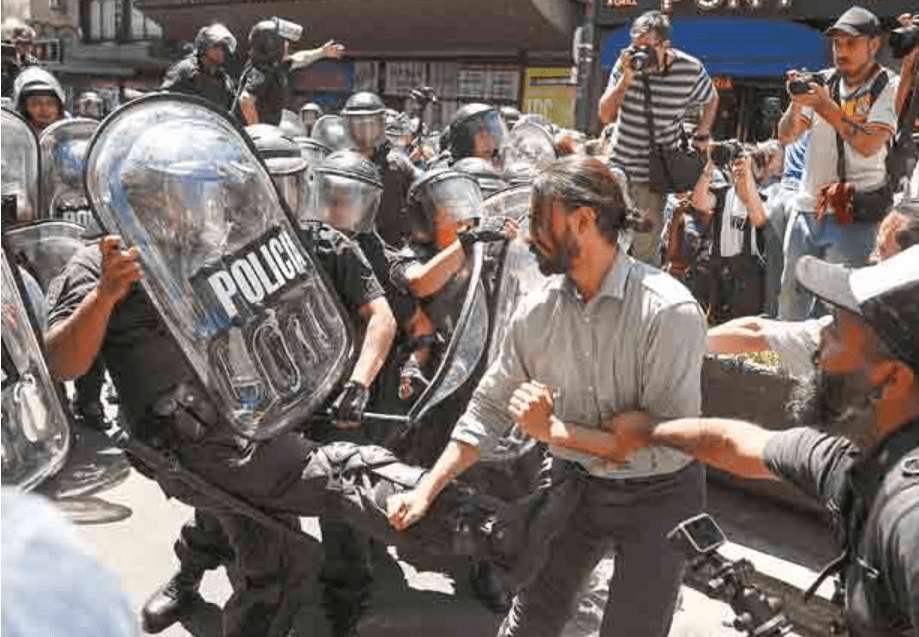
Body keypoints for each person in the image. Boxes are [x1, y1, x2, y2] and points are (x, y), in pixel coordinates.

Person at [386, 156, 708, 637]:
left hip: (660, 495)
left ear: (584, 220)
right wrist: (427, 489)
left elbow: (653, 440)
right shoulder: (538, 310)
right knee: (531, 619)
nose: (530, 232)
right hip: (576, 481)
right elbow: (490, 406)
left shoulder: (669, 311)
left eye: (541, 219)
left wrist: (553, 431)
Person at [134, 128, 395, 636]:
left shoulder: (329, 242)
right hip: (251, 408)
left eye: (290, 184)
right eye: (267, 185)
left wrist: (359, 382)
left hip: (328, 401)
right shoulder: (212, 250)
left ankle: (345, 600)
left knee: (344, 510)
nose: (280, 197)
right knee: (223, 507)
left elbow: (380, 316)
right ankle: (188, 577)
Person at [607, 245, 919, 636]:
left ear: (892, 381)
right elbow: (739, 444)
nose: (818, 338)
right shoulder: (861, 458)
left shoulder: (910, 516)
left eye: (836, 330)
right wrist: (646, 431)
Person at [777, 6, 899, 320]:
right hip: (807, 210)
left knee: (849, 311)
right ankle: (785, 369)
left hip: (854, 213)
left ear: (874, 45)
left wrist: (825, 107)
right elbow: (787, 136)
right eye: (836, 44)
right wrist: (796, 103)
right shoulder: (822, 82)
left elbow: (869, 145)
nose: (840, 51)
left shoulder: (889, 85)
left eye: (851, 43)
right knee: (791, 304)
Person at [707, 203, 918, 378]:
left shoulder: (862, 333)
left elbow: (758, 338)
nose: (872, 258)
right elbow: (757, 329)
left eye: (882, 250)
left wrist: (686, 346)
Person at [598, 9, 719, 267]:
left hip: (654, 174)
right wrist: (625, 80)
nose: (639, 53)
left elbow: (712, 98)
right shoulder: (627, 65)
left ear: (665, 45)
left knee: (644, 251)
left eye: (647, 47)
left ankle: (643, 302)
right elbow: (605, 115)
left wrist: (703, 133)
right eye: (635, 46)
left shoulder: (689, 68)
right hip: (619, 167)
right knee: (605, 244)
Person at [689, 142, 773, 323]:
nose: (738, 169)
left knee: (742, 330)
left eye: (744, 165)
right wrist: (711, 163)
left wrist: (748, 177)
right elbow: (698, 202)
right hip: (719, 271)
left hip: (747, 277)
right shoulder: (723, 194)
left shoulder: (765, 199)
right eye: (736, 164)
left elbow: (758, 218)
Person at [340, 91, 420, 247]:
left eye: (369, 124)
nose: (362, 132)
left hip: (394, 252)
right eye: (357, 125)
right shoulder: (339, 165)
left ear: (380, 125)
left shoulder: (396, 162)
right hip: (349, 252)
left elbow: (424, 184)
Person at [237, 17, 344, 126]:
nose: (287, 44)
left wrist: (322, 52)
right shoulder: (262, 70)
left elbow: (300, 58)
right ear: (272, 45)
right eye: (283, 41)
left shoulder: (276, 65)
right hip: (256, 136)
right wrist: (257, 132)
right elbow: (245, 100)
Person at [160, 23, 237, 112]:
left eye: (223, 47)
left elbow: (232, 108)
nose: (221, 51)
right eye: (216, 46)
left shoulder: (223, 78)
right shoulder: (185, 70)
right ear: (204, 46)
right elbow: (164, 100)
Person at [12, 66, 65, 135]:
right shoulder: (12, 136)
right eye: (35, 103)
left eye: (51, 103)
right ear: (23, 107)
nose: (44, 109)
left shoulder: (71, 131)